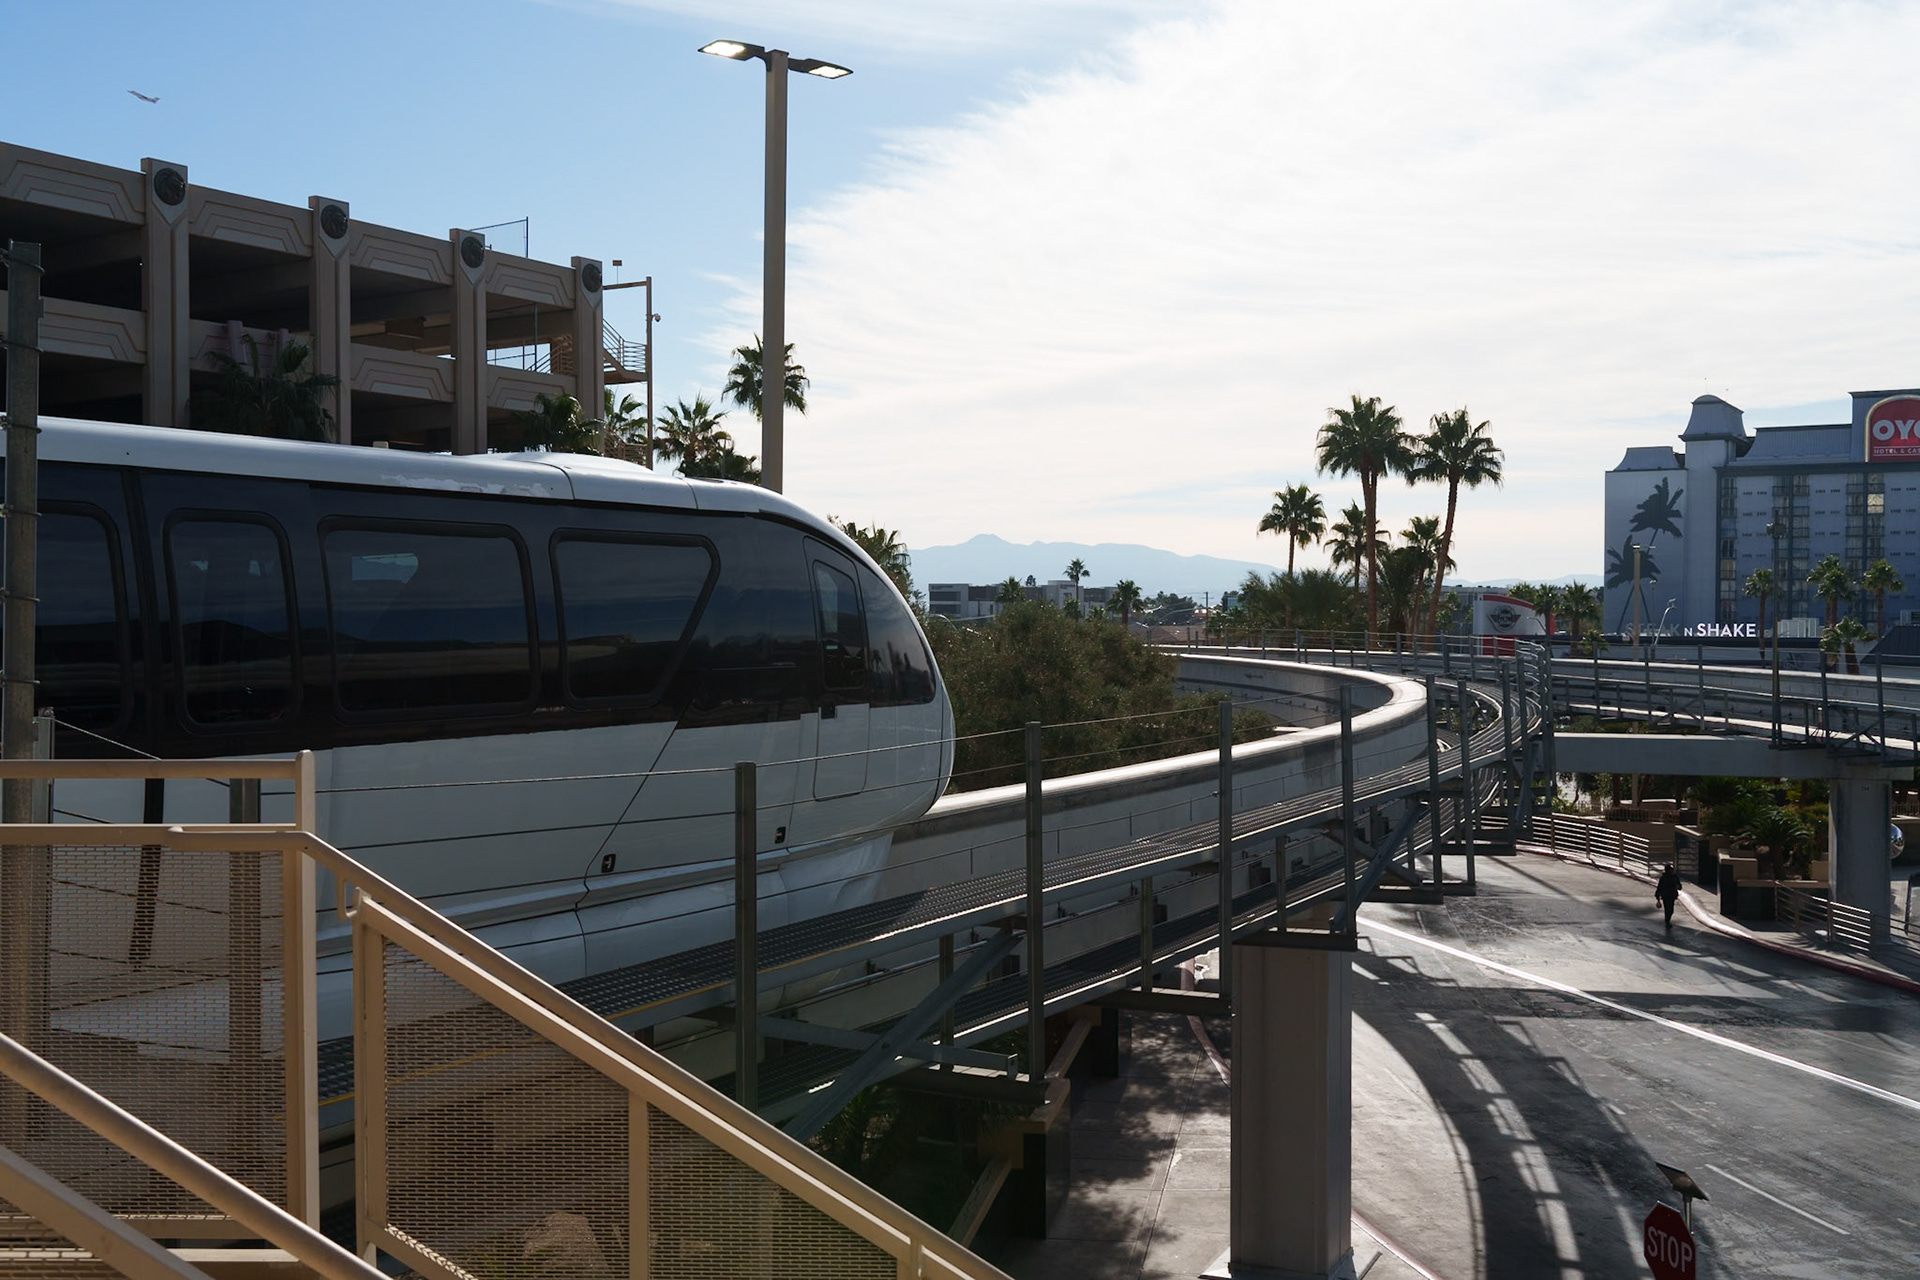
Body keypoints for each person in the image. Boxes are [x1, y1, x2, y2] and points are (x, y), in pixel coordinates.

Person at [1655, 863, 1682, 931]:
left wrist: (1678, 887)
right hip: (1666, 895)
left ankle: (1667, 919)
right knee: (1667, 909)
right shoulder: (1663, 878)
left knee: (1671, 909)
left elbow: (1679, 886)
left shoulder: (1675, 877)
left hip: (1672, 895)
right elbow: (1659, 887)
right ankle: (1667, 921)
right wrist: (1658, 897)